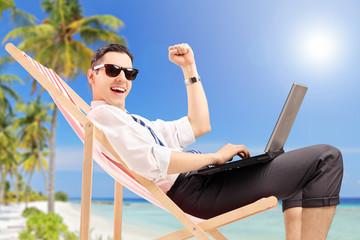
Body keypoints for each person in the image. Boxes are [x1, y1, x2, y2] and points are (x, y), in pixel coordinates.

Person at [87, 43, 343, 240]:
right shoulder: (102, 117)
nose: (122, 78)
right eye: (112, 70)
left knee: (300, 175)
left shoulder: (131, 122)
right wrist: (214, 157)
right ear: (92, 77)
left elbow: (199, 125)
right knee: (326, 159)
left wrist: (189, 68)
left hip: (204, 182)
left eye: (129, 72)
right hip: (198, 193)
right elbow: (151, 162)